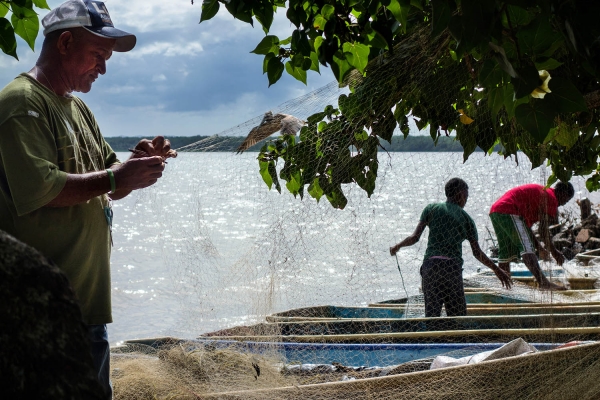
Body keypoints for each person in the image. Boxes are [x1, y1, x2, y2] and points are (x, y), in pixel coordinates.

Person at [0, 1, 175, 398]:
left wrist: (138, 164)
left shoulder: (78, 108)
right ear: (64, 43)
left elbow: (112, 182)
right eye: (98, 54)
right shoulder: (20, 103)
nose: (104, 67)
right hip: (37, 312)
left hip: (87, 305)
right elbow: (40, 189)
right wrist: (118, 174)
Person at [390, 178, 512, 318]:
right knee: (457, 317)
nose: (466, 200)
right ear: (460, 195)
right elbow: (477, 253)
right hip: (451, 270)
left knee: (432, 316)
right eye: (466, 196)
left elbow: (415, 238)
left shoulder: (431, 209)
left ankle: (433, 337)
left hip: (431, 268)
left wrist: (397, 246)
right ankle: (455, 337)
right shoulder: (467, 219)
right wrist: (497, 270)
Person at [489, 182, 575, 291]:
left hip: (496, 211)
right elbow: (543, 231)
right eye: (566, 200)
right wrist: (554, 252)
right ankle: (544, 283)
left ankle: (505, 286)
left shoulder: (545, 193)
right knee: (527, 248)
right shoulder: (552, 198)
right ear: (562, 193)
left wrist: (539, 247)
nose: (563, 204)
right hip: (510, 210)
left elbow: (526, 230)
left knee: (506, 251)